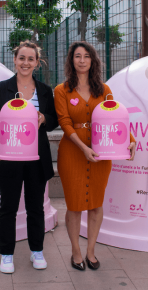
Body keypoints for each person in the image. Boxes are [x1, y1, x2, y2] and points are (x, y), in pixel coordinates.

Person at [54, 41, 136, 271]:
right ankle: (76, 251)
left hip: (102, 151)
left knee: (96, 204)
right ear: (71, 60)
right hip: (72, 152)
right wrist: (83, 147)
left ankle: (91, 250)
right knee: (74, 205)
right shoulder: (61, 90)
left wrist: (130, 139)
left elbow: (115, 118)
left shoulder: (104, 90)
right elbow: (65, 122)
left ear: (93, 60)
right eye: (77, 56)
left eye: (86, 56)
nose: (82, 60)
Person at [0, 40, 58, 274]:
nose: (25, 63)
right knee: (8, 206)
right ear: (15, 60)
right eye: (21, 58)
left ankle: (36, 250)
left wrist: (44, 118)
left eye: (30, 59)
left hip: (36, 158)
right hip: (8, 157)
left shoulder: (45, 90)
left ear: (37, 62)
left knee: (35, 207)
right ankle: (6, 254)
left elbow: (54, 121)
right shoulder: (1, 88)